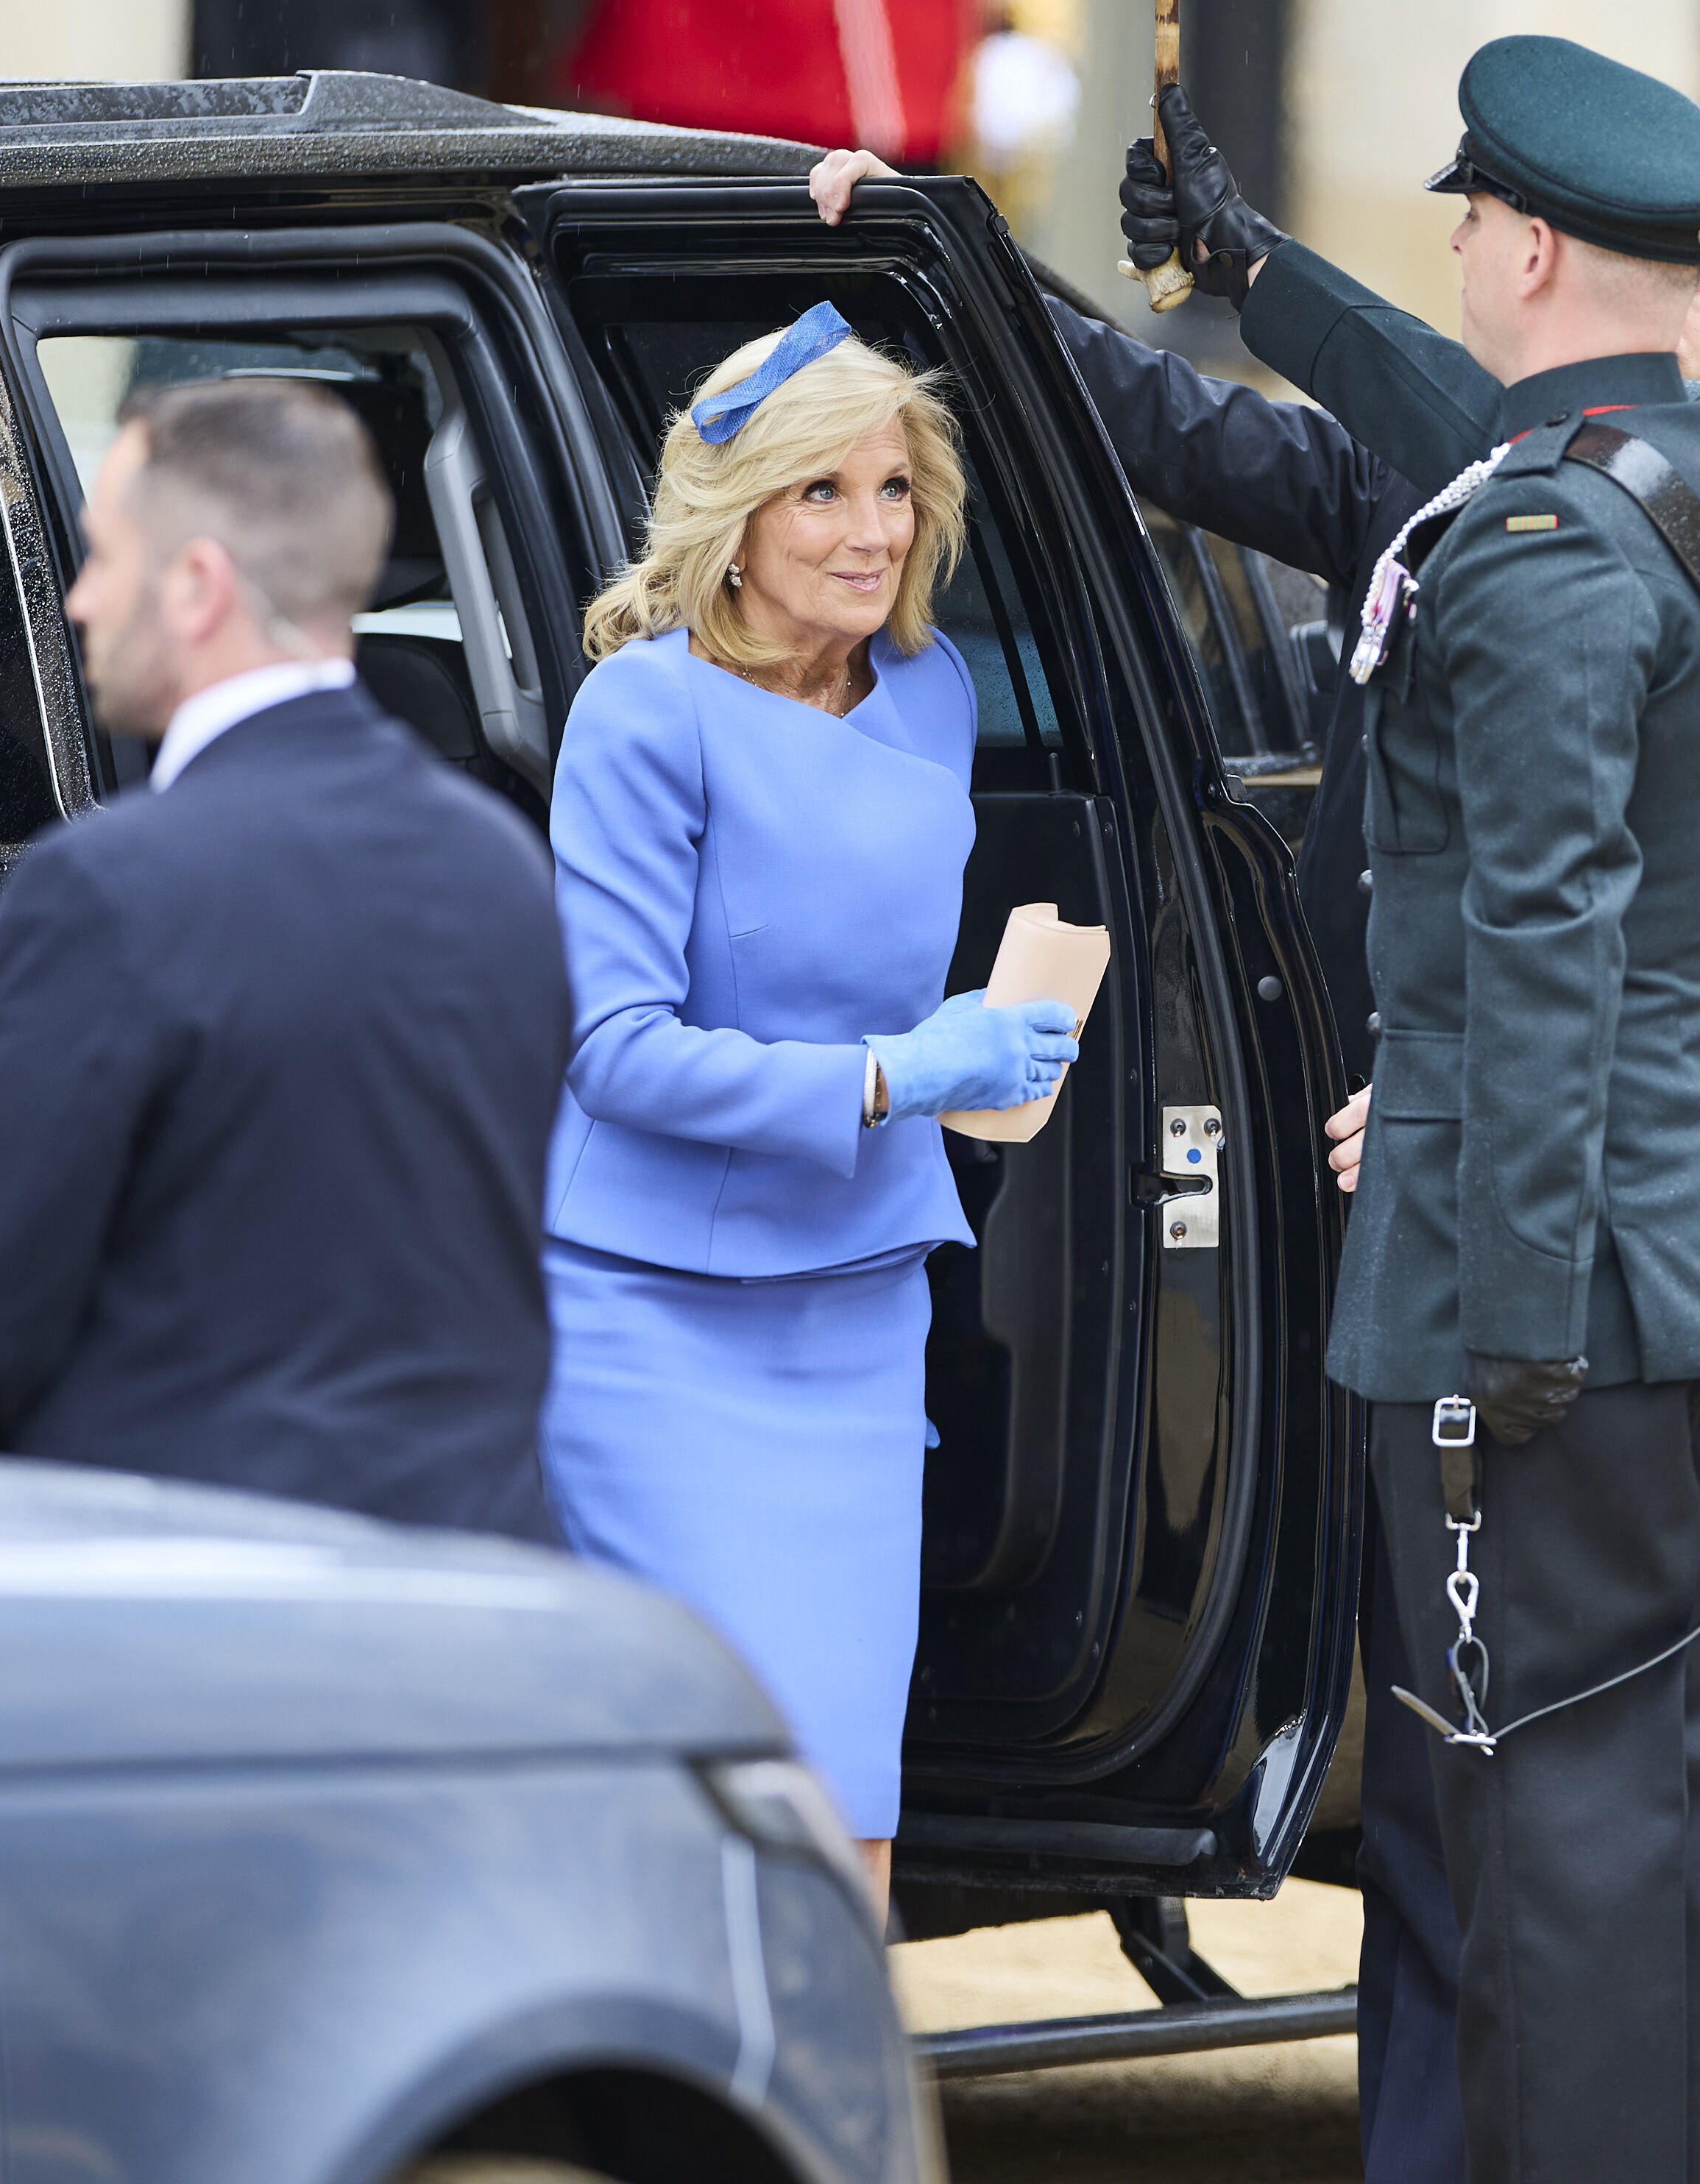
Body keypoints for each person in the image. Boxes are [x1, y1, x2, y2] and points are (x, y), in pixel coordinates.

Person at [1115, 96, 1700, 2184]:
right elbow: (1439, 413)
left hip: (1601, 1275)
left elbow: (1623, 947)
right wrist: (1245, 268)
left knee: (1639, 1863)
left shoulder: (1678, 547)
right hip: (1644, 1262)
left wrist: (1484, 1190)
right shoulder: (1660, 484)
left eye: (1485, 223)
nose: (1469, 258)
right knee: (1534, 1838)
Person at [533, 308, 1079, 1911]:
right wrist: (899, 1075)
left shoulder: (930, 694)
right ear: (738, 516)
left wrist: (1006, 1043)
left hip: (856, 1309)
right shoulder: (644, 712)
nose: (870, 529)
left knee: (848, 1798)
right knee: (704, 1791)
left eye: (894, 487)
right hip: (653, 1316)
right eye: (820, 493)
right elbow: (614, 1048)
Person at [0, 377, 570, 1546]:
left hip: (197, 1608)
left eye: (100, 557)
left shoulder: (109, 888)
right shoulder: (499, 863)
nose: (79, 600)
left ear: (196, 587)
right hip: (471, 1583)